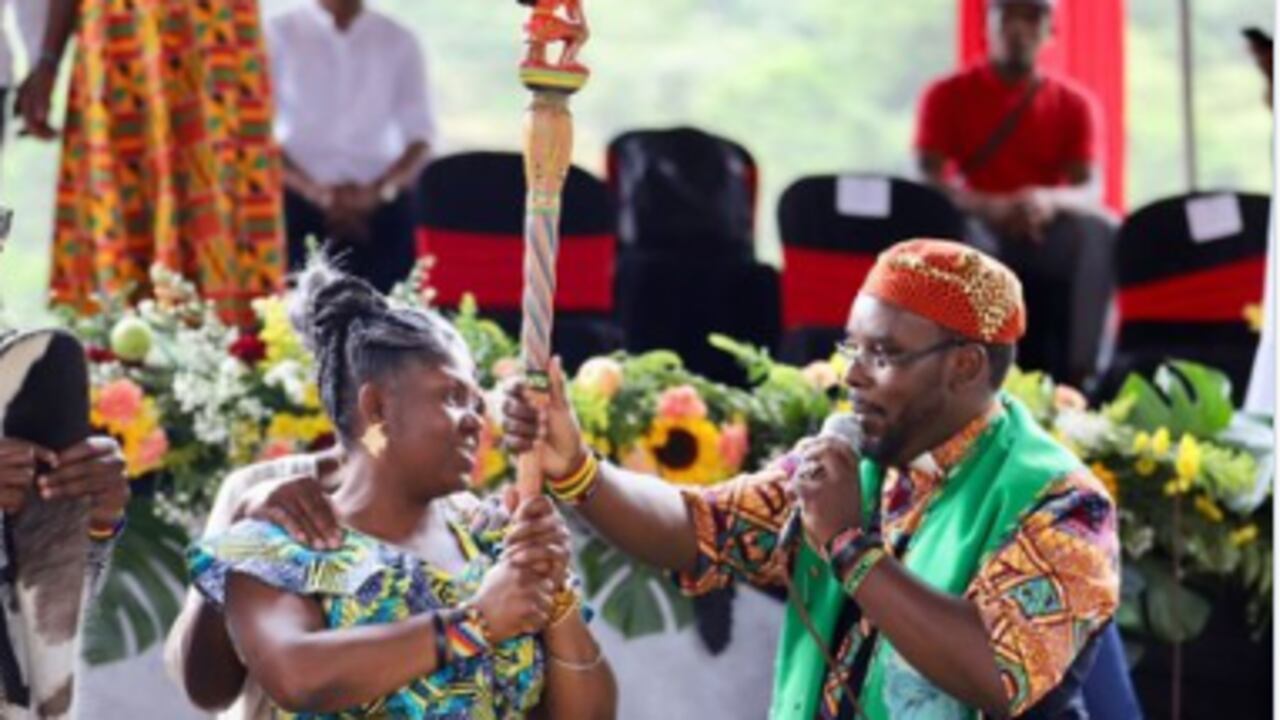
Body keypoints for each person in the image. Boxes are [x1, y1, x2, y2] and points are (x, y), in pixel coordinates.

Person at [503, 239, 1119, 718]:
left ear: (964, 366)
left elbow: (996, 672)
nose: (852, 377)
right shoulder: (852, 456)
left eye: (881, 356)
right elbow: (700, 528)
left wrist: (849, 546)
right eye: (851, 350)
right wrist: (579, 470)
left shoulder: (1062, 505)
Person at [184, 259, 616, 718]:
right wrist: (477, 622)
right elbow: (296, 674)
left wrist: (557, 593)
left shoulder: (493, 541)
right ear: (376, 407)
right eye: (451, 396)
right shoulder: (284, 543)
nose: (474, 418)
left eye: (475, 401)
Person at [13, 0, 284, 325]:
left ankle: (235, 357)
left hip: (211, 37)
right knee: (119, 198)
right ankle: (113, 357)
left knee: (219, 192)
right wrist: (47, 61)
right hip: (122, 37)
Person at [915, 0, 1114, 388]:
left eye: (1032, 17)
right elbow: (928, 179)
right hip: (975, 223)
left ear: (1050, 30)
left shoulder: (1074, 104)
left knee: (1101, 229)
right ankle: (968, 374)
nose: (1018, 28)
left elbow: (1090, 187)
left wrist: (1045, 200)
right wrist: (989, 206)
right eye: (1007, 15)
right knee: (956, 236)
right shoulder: (946, 95)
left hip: (1042, 228)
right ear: (985, 25)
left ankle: (1082, 376)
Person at [267, 0, 437, 293]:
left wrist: (379, 192)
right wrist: (315, 192)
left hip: (379, 199)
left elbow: (420, 138)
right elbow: (258, 135)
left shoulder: (398, 39)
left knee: (400, 279)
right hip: (298, 194)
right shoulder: (277, 33)